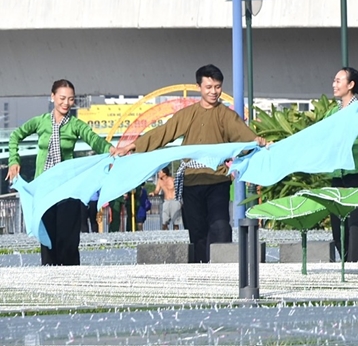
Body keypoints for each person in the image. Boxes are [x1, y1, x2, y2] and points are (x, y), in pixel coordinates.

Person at [113, 64, 267, 262]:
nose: (214, 92)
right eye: (209, 87)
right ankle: (200, 272)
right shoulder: (187, 114)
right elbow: (163, 133)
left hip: (217, 181)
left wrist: (260, 143)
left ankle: (223, 271)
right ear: (199, 87)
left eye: (218, 87)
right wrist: (133, 146)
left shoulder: (227, 116)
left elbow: (246, 140)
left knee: (220, 226)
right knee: (196, 231)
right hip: (191, 182)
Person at [6, 79, 116, 265]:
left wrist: (110, 150)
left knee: (68, 240)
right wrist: (13, 160)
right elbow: (15, 136)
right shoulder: (40, 122)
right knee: (48, 239)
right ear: (52, 97)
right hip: (44, 189)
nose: (66, 103)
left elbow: (94, 140)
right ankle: (50, 278)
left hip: (67, 189)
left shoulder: (75, 125)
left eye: (71, 99)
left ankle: (71, 278)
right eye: (62, 98)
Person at [327, 67, 358, 262]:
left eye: (339, 81)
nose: (334, 84)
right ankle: (345, 265)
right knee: (339, 225)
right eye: (334, 80)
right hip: (337, 176)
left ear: (351, 85)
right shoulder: (332, 112)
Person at [154, 166, 182, 230]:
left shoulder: (172, 180)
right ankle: (165, 235)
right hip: (166, 201)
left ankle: (176, 235)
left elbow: (179, 189)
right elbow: (157, 190)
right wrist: (153, 193)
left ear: (164, 173)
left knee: (175, 222)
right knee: (164, 221)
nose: (158, 173)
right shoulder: (160, 181)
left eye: (160, 172)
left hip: (175, 200)